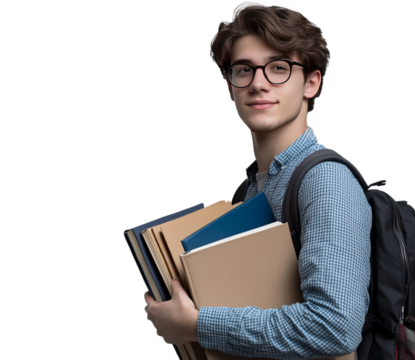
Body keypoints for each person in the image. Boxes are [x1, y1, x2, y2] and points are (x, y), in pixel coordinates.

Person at [144, 1, 372, 358]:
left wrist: (196, 325)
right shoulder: (251, 188)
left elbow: (335, 327)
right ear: (229, 87)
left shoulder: (326, 181)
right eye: (244, 70)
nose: (258, 83)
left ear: (311, 82)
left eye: (278, 68)